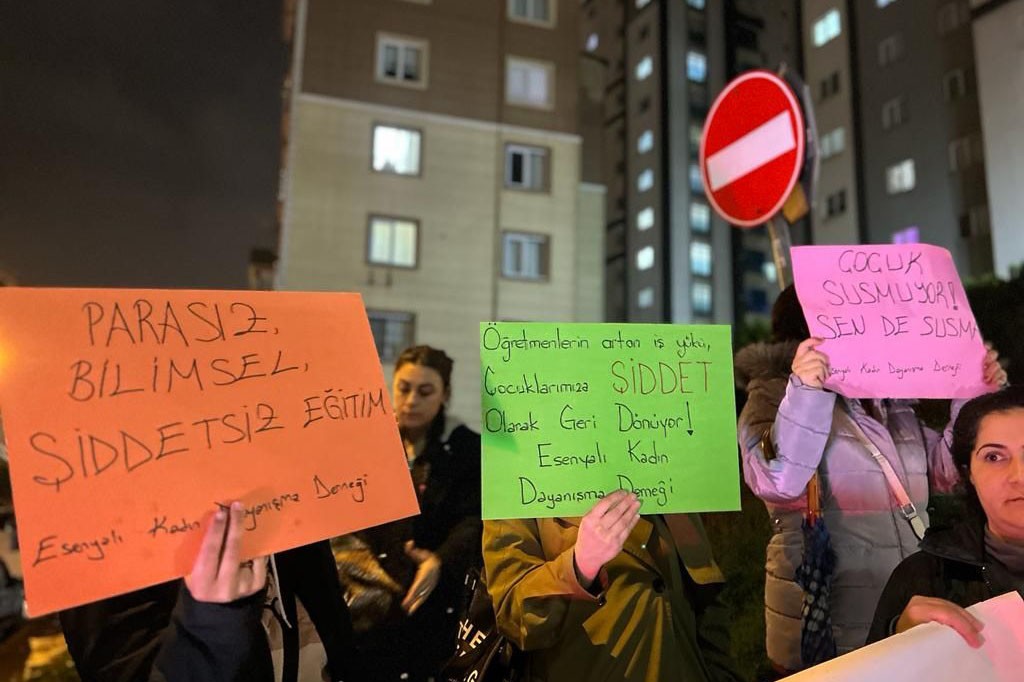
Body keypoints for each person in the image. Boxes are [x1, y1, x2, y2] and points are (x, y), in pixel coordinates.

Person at [735, 285, 1006, 672]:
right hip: (831, 619)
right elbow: (779, 480)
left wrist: (976, 393)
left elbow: (949, 472)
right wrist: (808, 391)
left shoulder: (886, 400)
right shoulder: (772, 396)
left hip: (907, 604)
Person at [483, 491, 743, 682]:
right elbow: (514, 615)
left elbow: (704, 587)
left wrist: (722, 673)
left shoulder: (659, 452)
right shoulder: (517, 472)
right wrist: (580, 564)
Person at [345, 345, 481, 681]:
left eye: (425, 391)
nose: (411, 401)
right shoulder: (368, 443)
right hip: (369, 607)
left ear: (445, 395)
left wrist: (441, 560)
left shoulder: (466, 448)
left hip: (437, 604)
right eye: (404, 388)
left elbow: (475, 516)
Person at [867, 386, 1024, 646]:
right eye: (994, 456)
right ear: (969, 472)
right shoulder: (921, 578)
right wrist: (896, 643)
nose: (1019, 475)